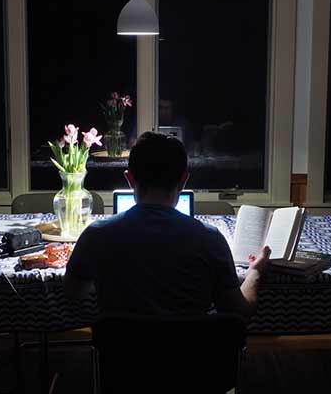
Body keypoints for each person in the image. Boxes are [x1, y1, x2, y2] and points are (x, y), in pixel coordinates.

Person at [64, 131, 269, 317]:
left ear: (129, 180)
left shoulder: (96, 235)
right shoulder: (210, 239)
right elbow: (240, 311)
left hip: (121, 355)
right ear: (184, 180)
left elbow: (74, 291)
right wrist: (255, 271)